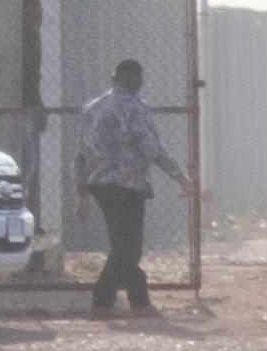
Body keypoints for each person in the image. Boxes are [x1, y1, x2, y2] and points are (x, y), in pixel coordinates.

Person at [70, 58, 185, 319]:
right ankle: (104, 300)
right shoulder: (134, 107)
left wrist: (83, 192)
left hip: (100, 183)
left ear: (114, 77)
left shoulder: (93, 107)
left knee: (123, 244)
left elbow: (82, 154)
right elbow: (151, 147)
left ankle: (137, 301)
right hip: (127, 184)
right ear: (138, 80)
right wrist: (179, 176)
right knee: (128, 248)